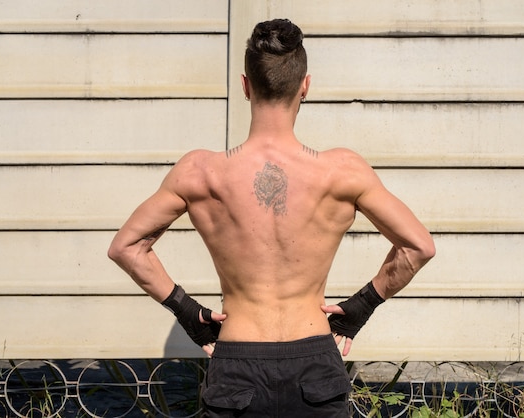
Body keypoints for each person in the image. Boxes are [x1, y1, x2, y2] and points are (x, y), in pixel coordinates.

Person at [108, 18, 435, 417]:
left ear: (245, 86)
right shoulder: (343, 171)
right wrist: (361, 306)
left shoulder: (200, 172)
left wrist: (188, 312)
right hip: (314, 360)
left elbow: (126, 247)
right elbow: (419, 246)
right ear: (306, 87)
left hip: (236, 365)